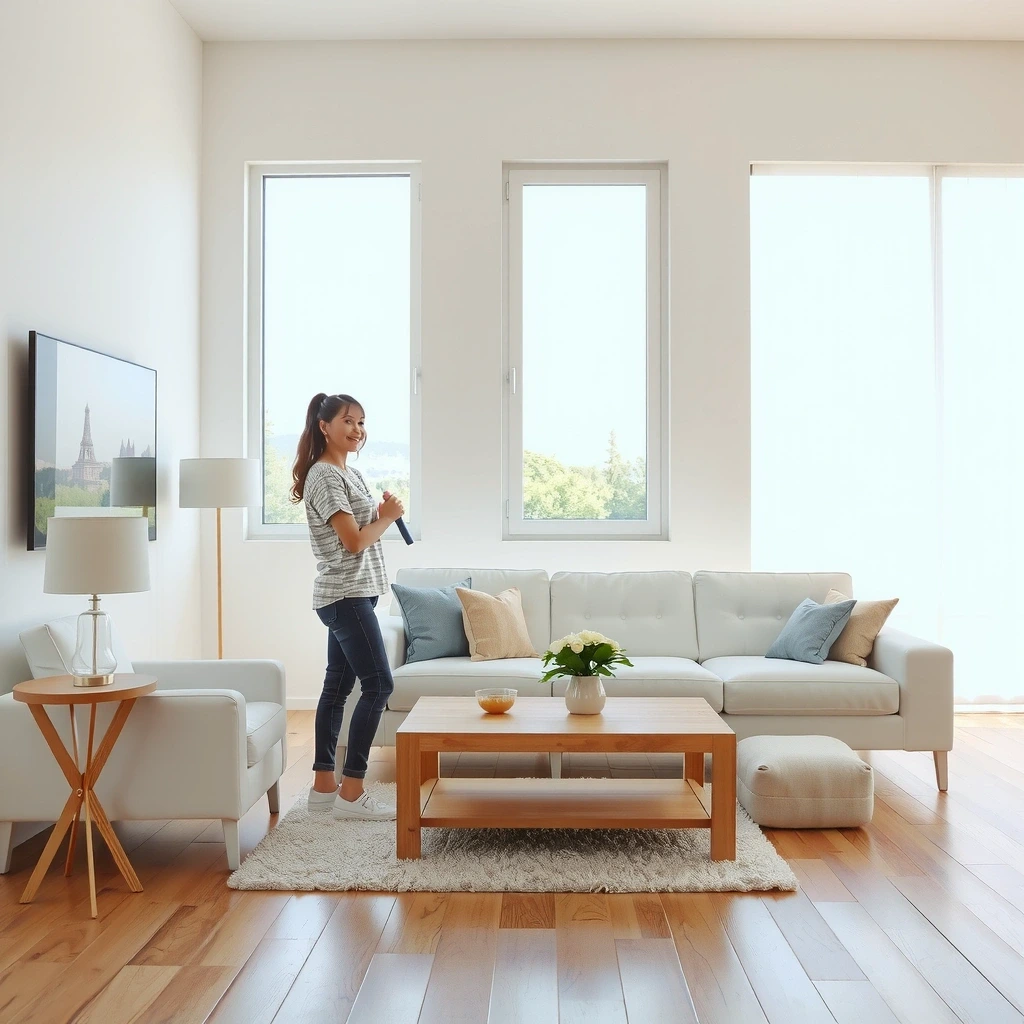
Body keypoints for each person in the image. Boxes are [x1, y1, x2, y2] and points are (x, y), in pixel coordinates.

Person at [291, 392, 405, 820]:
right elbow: (354, 541)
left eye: (361, 422)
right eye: (348, 421)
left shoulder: (349, 473)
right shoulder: (325, 476)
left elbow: (358, 527)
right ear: (324, 426)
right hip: (346, 595)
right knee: (379, 686)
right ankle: (352, 792)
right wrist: (389, 517)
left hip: (355, 594)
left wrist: (379, 511)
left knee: (337, 689)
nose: (358, 430)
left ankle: (324, 787)